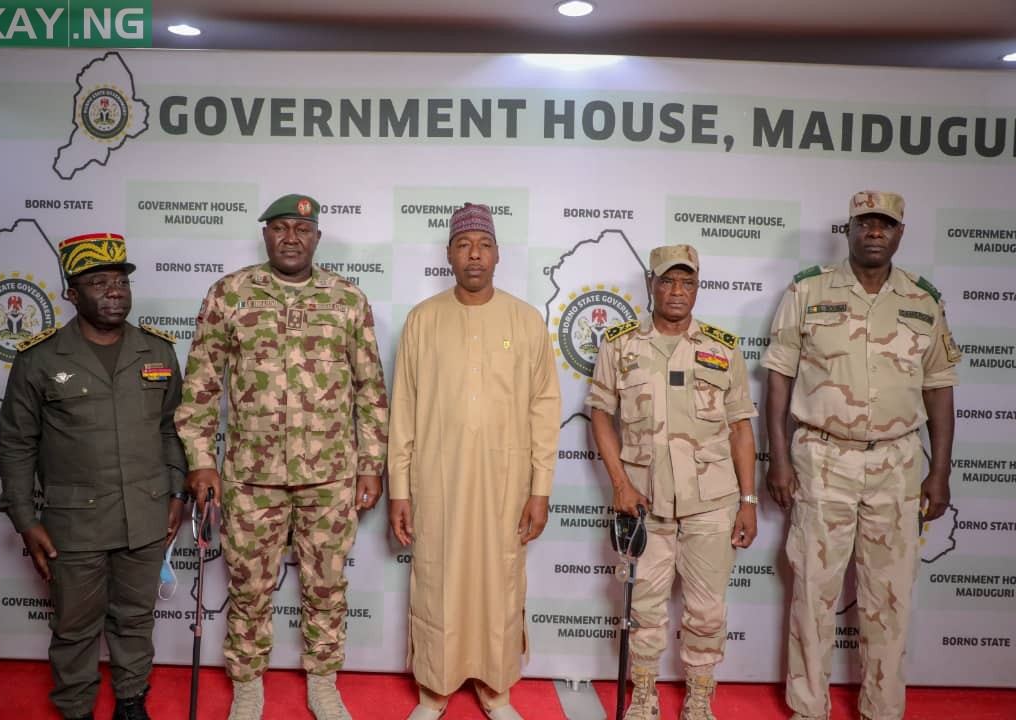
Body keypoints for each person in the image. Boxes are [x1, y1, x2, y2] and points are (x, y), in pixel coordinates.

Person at [175, 194, 388, 720]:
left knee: (327, 585)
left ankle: (322, 681)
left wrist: (370, 465)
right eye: (279, 228)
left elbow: (370, 390)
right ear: (265, 234)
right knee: (248, 587)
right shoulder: (230, 294)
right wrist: (201, 460)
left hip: (330, 476)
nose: (291, 237)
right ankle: (248, 687)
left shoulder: (347, 299)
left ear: (317, 237)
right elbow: (201, 385)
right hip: (251, 478)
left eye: (302, 228)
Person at [762, 191, 960, 720]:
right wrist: (777, 459)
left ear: (900, 232)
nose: (875, 232)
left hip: (896, 464)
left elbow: (939, 387)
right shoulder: (807, 290)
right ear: (847, 229)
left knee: (889, 597)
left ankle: (883, 709)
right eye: (865, 223)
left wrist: (939, 471)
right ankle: (808, 708)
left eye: (886, 224)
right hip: (821, 458)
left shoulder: (924, 301)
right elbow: (778, 379)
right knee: (812, 591)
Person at [0, 232, 187, 720]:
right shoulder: (39, 358)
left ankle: (130, 701)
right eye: (98, 282)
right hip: (73, 521)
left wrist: (175, 490)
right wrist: (24, 518)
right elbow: (17, 442)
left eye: (120, 281)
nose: (114, 291)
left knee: (135, 620)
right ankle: (76, 708)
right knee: (75, 625)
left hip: (144, 515)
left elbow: (170, 430)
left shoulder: (158, 353)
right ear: (72, 294)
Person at [388, 202, 561, 720]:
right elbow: (404, 410)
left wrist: (541, 488)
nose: (474, 255)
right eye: (464, 245)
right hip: (436, 483)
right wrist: (399, 488)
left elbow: (544, 408)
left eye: (483, 245)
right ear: (449, 254)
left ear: (498, 254)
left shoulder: (525, 321)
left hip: (505, 485)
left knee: (500, 582)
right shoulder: (422, 320)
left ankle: (496, 687)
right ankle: (434, 690)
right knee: (437, 580)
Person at [587, 244, 758, 720]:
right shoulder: (620, 345)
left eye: (687, 282)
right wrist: (620, 482)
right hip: (644, 502)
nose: (677, 291)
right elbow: (600, 415)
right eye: (667, 281)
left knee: (707, 610)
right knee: (643, 606)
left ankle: (700, 695)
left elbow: (742, 427)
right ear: (651, 285)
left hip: (712, 502)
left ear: (698, 286)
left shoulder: (722, 347)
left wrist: (748, 499)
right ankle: (643, 694)